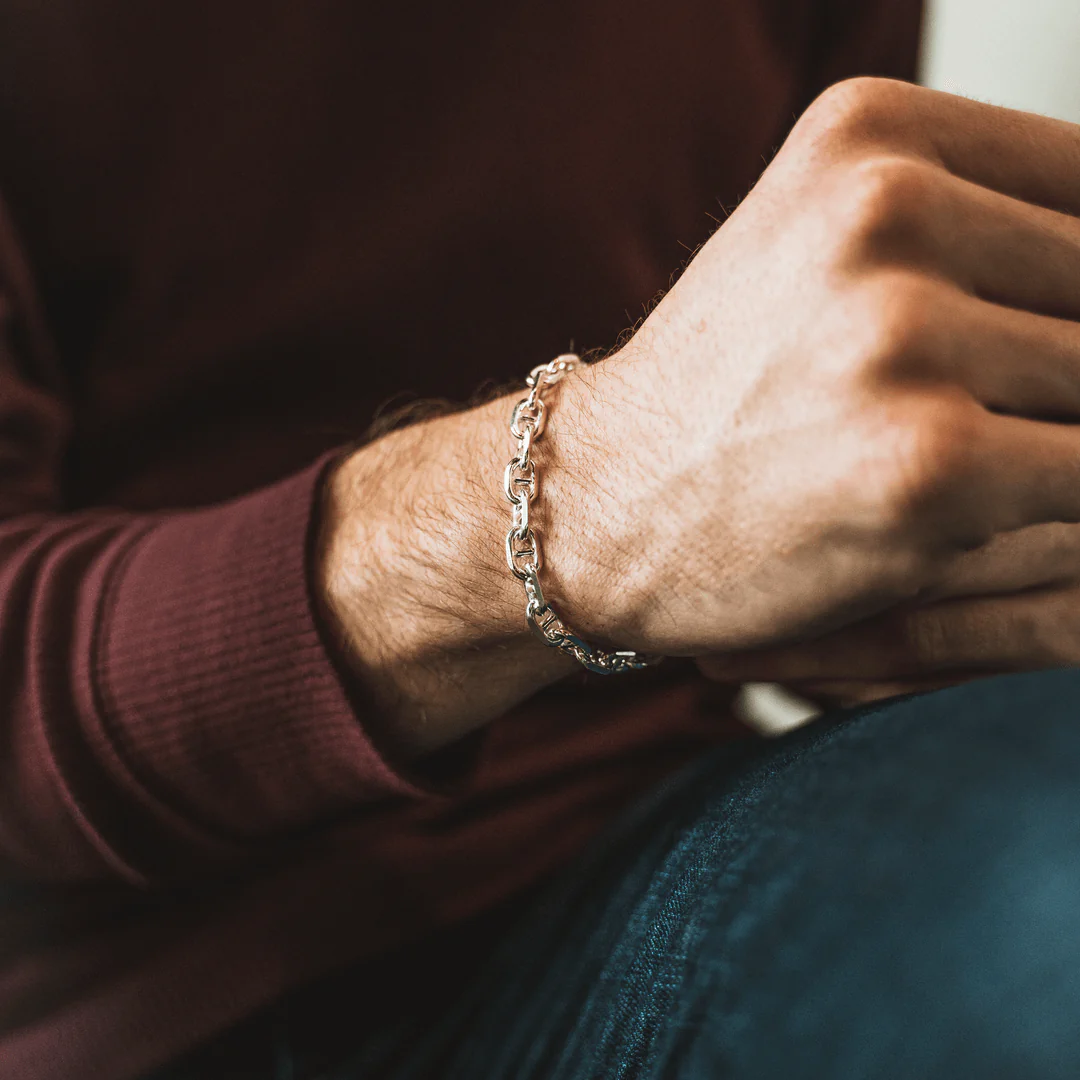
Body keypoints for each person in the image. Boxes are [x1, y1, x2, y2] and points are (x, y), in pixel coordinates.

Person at [7, 1, 1080, 1077]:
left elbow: (791, 430)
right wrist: (583, 496)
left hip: (653, 839)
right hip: (142, 1004)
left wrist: (947, 545)